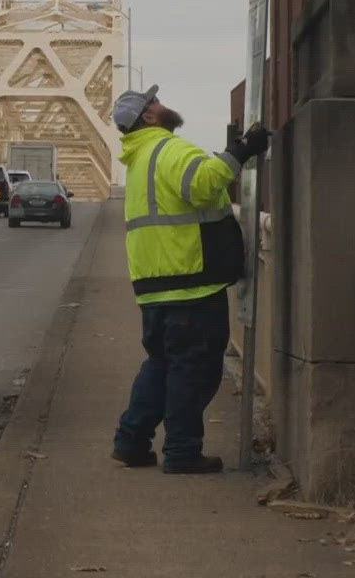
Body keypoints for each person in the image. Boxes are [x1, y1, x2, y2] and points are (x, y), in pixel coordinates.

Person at [110, 85, 270, 475]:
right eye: (155, 102)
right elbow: (201, 186)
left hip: (155, 284)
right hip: (191, 279)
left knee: (162, 363)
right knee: (193, 369)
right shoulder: (169, 148)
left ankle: (131, 442)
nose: (164, 104)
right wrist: (242, 150)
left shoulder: (140, 158)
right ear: (149, 116)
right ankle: (182, 451)